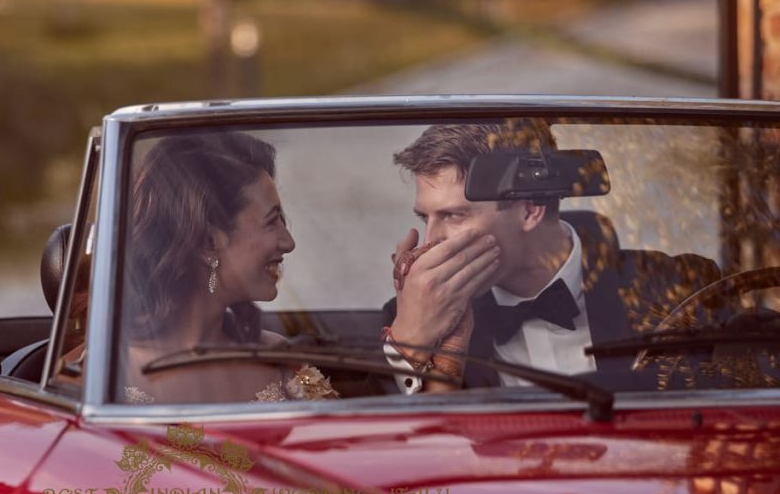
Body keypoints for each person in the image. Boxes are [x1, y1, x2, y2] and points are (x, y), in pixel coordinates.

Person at [382, 121, 721, 393]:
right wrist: (409, 347)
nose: (431, 242)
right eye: (425, 218)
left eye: (454, 216)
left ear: (530, 209)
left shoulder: (677, 289)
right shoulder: (410, 317)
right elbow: (391, 457)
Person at [121, 131, 336, 404]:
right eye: (272, 222)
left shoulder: (286, 359)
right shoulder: (105, 369)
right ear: (208, 242)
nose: (289, 242)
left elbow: (344, 435)